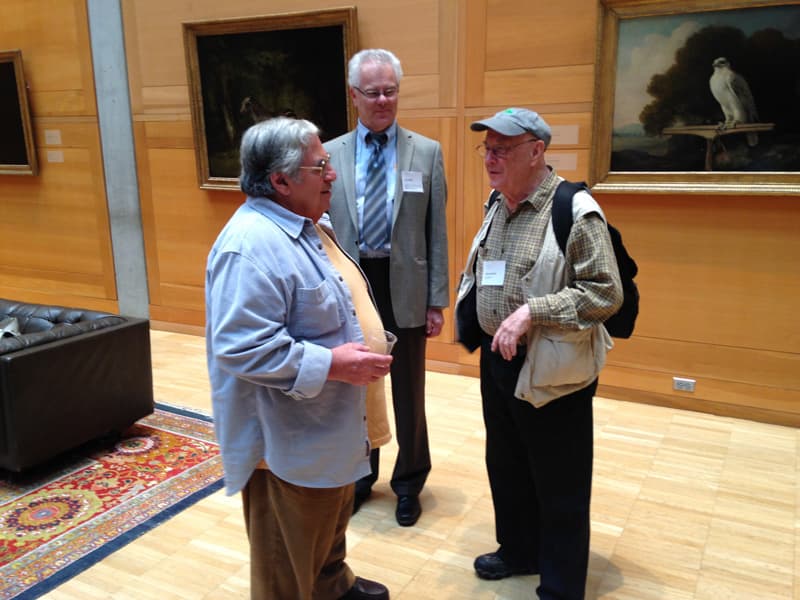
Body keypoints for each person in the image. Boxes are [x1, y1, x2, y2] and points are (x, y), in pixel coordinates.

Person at [206, 116, 394, 600]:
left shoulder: (308, 226)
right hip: (286, 446)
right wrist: (333, 364)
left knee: (327, 533)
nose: (333, 174)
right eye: (321, 166)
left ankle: (333, 586)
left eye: (328, 163)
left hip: (327, 429)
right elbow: (240, 346)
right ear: (281, 181)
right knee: (284, 567)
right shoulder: (250, 246)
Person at [456, 108, 623, 600]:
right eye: (486, 148)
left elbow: (604, 293)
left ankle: (562, 583)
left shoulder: (575, 210)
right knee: (506, 465)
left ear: (536, 151)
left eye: (502, 149)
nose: (490, 158)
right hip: (498, 360)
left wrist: (533, 312)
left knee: (560, 480)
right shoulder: (497, 202)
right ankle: (518, 550)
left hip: (554, 367)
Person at [324, 48, 449, 527]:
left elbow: (436, 230)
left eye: (390, 90)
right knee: (359, 383)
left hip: (407, 284)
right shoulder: (329, 153)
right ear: (354, 95)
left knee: (408, 390)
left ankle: (409, 480)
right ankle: (361, 475)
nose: (383, 100)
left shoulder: (427, 152)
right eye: (372, 92)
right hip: (352, 284)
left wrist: (436, 299)